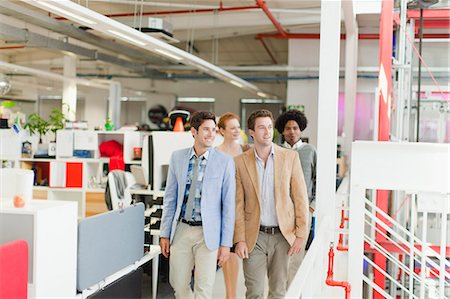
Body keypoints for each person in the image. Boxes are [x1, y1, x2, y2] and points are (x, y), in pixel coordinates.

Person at [159, 111, 236, 299]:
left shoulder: (224, 162)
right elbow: (169, 199)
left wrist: (226, 244)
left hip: (207, 233)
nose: (211, 134)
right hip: (182, 230)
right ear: (193, 131)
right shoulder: (177, 158)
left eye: (213, 130)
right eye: (206, 130)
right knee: (178, 285)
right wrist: (164, 233)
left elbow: (228, 206)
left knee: (204, 288)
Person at [234, 109, 309, 299]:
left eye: (269, 127)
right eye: (261, 128)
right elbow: (237, 204)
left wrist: (301, 234)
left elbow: (300, 198)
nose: (267, 132)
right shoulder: (239, 162)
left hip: (283, 236)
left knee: (278, 291)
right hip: (254, 236)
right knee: (254, 292)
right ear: (251, 132)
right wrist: (239, 239)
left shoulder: (289, 157)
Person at [275, 109, 317, 285]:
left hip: (303, 211)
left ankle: (293, 291)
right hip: (280, 211)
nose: (291, 131)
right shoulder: (276, 151)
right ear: (282, 131)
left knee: (297, 254)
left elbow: (318, 180)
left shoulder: (310, 151)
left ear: (301, 130)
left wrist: (311, 206)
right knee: (280, 254)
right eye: (288, 128)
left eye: (295, 128)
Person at [217, 112, 250, 299]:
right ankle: (230, 295)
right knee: (227, 251)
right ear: (222, 131)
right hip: (221, 207)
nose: (237, 130)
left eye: (238, 127)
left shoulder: (245, 150)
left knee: (237, 250)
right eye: (232, 127)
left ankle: (233, 295)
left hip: (242, 207)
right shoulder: (215, 153)